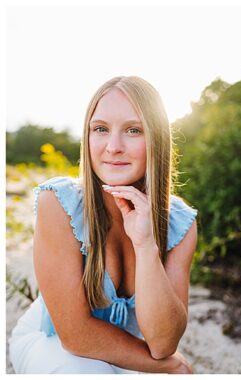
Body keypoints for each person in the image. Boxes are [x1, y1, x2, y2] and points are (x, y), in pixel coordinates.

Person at [9, 76, 197, 374]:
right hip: (53, 339)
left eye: (134, 130)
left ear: (157, 139)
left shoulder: (180, 223)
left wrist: (146, 245)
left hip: (125, 347)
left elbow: (163, 344)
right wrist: (172, 366)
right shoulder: (59, 202)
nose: (113, 147)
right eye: (100, 129)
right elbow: (75, 335)